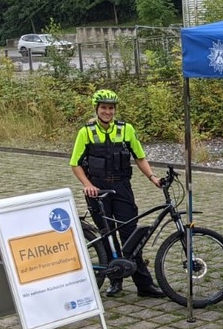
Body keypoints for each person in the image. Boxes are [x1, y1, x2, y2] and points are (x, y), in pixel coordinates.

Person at [70, 89, 165, 299]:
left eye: (111, 108)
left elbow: (140, 157)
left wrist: (153, 178)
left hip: (121, 186)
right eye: (103, 108)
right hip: (97, 190)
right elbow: (75, 164)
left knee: (131, 235)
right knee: (107, 235)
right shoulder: (86, 132)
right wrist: (87, 184)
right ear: (97, 109)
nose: (107, 112)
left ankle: (144, 285)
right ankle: (115, 281)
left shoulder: (126, 130)